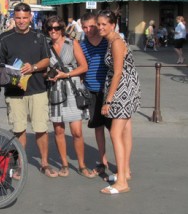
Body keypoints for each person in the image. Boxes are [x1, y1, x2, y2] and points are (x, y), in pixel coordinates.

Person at [0, 3, 58, 178]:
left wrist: (33, 67)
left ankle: (44, 163)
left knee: (41, 128)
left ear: (30, 18)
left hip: (38, 90)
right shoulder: (4, 38)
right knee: (19, 129)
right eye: (18, 18)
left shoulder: (39, 36)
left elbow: (46, 60)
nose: (21, 21)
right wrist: (9, 73)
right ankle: (21, 164)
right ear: (14, 18)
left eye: (25, 18)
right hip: (14, 92)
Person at [97, 10, 141, 195]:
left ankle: (122, 182)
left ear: (113, 25)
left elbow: (117, 72)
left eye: (103, 24)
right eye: (98, 24)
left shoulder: (115, 42)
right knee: (124, 130)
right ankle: (125, 172)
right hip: (127, 87)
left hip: (122, 90)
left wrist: (108, 100)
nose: (100, 27)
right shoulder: (113, 40)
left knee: (115, 133)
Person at [46, 15, 94, 178]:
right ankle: (64, 165)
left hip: (72, 87)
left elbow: (84, 67)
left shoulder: (72, 43)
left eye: (56, 28)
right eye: (50, 28)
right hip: (55, 89)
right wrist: (50, 75)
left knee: (77, 132)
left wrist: (65, 75)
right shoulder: (46, 46)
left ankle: (82, 165)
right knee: (58, 130)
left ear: (61, 29)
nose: (53, 31)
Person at [80, 12, 112, 176]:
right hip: (91, 90)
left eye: (92, 26)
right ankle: (103, 161)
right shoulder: (82, 44)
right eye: (85, 27)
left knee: (114, 130)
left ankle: (121, 163)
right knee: (98, 128)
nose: (88, 30)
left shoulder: (108, 41)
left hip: (108, 91)